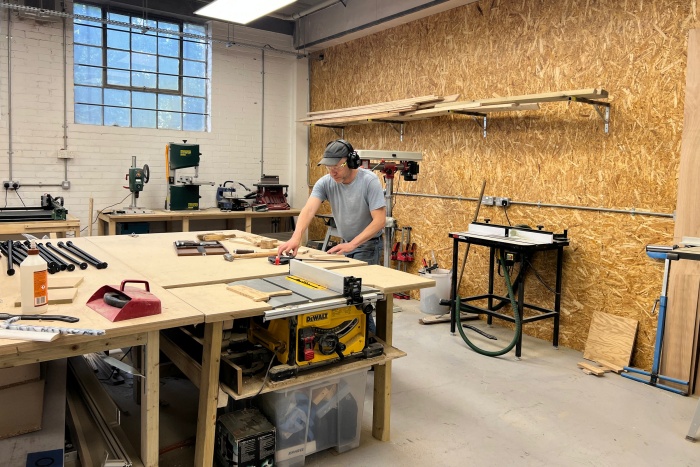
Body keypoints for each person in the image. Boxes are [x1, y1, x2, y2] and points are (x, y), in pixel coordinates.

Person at [277, 139, 386, 332]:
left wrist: (353, 244)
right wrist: (296, 237)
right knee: (341, 293)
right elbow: (309, 209)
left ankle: (370, 342)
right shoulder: (326, 182)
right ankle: (349, 337)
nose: (332, 172)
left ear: (352, 162)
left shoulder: (369, 181)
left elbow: (379, 220)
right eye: (329, 167)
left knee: (359, 297)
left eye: (337, 166)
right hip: (346, 244)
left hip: (368, 244)